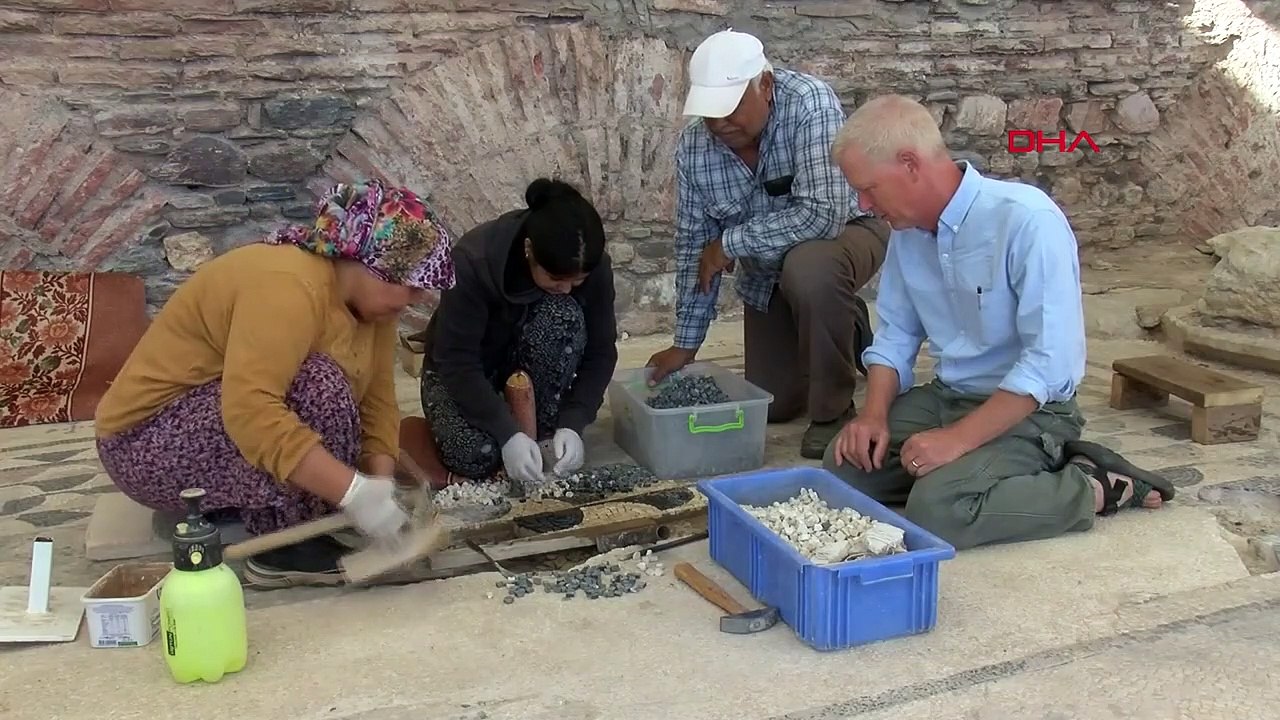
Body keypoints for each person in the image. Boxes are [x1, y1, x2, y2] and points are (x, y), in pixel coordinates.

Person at [823, 94, 1176, 551]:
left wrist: (955, 442)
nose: (863, 204)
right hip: (950, 396)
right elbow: (896, 336)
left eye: (869, 188)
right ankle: (996, 474)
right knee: (843, 468)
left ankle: (1092, 485)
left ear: (910, 163)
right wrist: (872, 417)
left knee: (939, 512)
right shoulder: (908, 235)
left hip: (1034, 409)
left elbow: (1049, 365)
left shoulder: (1028, 220)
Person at [95, 179, 457, 588]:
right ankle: (281, 546)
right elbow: (250, 409)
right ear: (363, 261)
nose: (414, 298)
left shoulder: (372, 311)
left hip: (205, 433)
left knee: (339, 399)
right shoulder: (288, 285)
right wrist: (351, 493)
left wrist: (380, 483)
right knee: (320, 385)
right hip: (146, 450)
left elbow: (378, 401)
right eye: (407, 286)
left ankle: (267, 508)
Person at [645, 29, 891, 459]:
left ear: (766, 85)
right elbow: (694, 251)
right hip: (768, 272)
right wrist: (685, 344)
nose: (720, 124)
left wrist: (731, 242)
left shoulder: (810, 103)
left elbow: (824, 213)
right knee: (773, 404)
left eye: (732, 108)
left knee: (811, 270)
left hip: (847, 234)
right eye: (709, 113)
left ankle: (833, 411)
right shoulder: (693, 150)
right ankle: (840, 320)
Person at [414, 178, 618, 491]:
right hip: (465, 371)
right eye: (555, 277)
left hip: (530, 368)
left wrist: (574, 422)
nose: (566, 288)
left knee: (562, 312)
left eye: (577, 282)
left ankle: (544, 428)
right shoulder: (473, 260)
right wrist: (506, 433)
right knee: (474, 456)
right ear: (528, 251)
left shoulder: (593, 266)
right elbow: (456, 362)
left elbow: (601, 352)